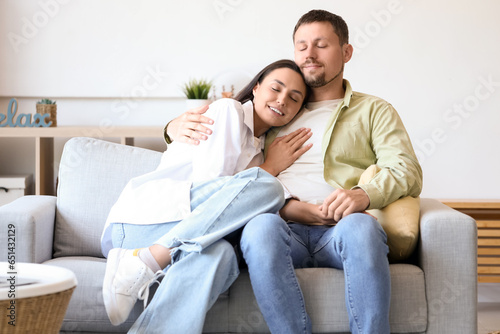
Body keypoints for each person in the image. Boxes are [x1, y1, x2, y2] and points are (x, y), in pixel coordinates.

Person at [166, 9, 423, 334]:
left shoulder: (373, 111)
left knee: (361, 228)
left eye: (321, 45)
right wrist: (172, 126)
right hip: (282, 226)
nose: (309, 54)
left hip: (340, 229)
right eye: (301, 46)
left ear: (346, 52)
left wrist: (361, 196)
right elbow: (224, 149)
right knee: (258, 228)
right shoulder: (278, 110)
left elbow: (406, 169)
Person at [101, 59, 312, 333]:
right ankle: (146, 259)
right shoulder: (228, 111)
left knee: (222, 253)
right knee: (268, 187)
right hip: (139, 225)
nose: (282, 100)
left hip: (179, 233)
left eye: (294, 99)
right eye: (276, 88)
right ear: (257, 88)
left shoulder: (259, 152)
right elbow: (213, 189)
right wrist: (269, 169)